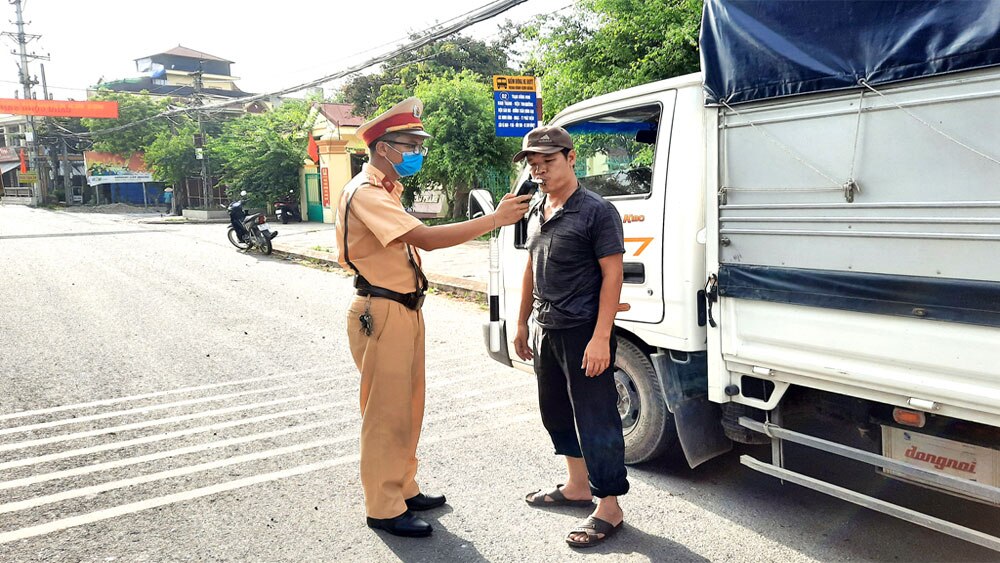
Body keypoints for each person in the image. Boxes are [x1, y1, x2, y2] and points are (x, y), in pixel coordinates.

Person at [336, 97, 531, 539]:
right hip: (380, 310)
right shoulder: (365, 192)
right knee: (385, 414)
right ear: (384, 148)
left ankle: (403, 487)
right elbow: (425, 239)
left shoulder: (387, 190)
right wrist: (494, 221)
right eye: (411, 144)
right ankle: (383, 506)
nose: (418, 152)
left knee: (407, 408)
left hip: (402, 309)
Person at [511, 125, 629, 548]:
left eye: (548, 160)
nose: (539, 169)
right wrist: (522, 321)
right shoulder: (537, 206)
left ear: (571, 157)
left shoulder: (597, 211)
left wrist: (601, 337)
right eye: (533, 162)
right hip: (548, 328)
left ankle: (609, 506)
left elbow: (613, 275)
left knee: (597, 419)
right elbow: (530, 266)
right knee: (556, 412)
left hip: (584, 331)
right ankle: (577, 486)